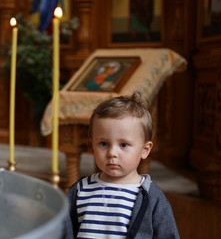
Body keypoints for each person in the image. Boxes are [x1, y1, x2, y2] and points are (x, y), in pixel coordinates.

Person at [63, 92, 179, 239]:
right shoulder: (81, 190)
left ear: (145, 150)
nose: (112, 153)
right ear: (92, 145)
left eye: (123, 145)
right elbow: (62, 230)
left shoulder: (151, 196)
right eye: (103, 144)